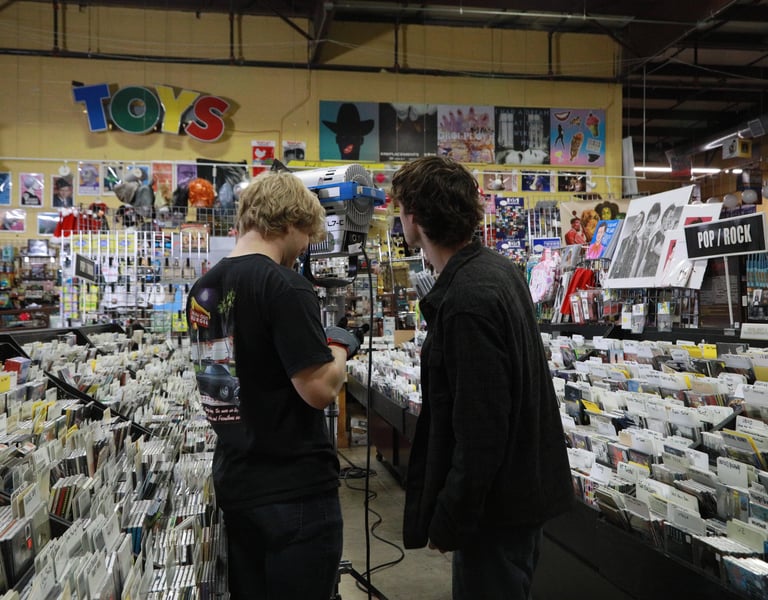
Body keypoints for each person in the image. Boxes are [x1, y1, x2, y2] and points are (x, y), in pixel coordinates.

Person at [390, 156, 574, 600]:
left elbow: (481, 429)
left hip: (497, 513)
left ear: (414, 218)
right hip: (518, 499)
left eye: (400, 208)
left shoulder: (468, 299)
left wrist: (450, 517)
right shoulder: (496, 269)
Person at [186, 169, 359, 600]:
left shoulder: (203, 289)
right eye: (307, 236)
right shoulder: (285, 286)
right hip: (292, 487)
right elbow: (318, 390)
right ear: (291, 223)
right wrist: (340, 345)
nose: (304, 249)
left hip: (236, 480)